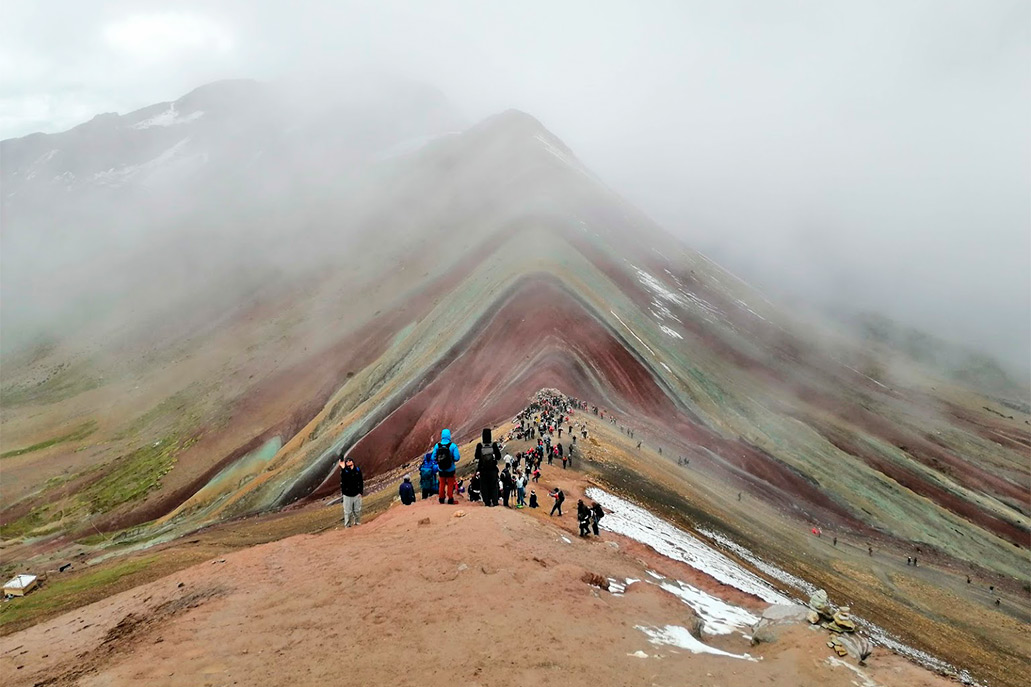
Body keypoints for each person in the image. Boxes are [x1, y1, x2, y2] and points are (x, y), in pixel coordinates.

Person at [435, 429, 460, 504]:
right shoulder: (453, 446)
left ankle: (441, 498)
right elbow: (457, 457)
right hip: (450, 469)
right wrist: (451, 459)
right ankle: (450, 499)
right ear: (449, 435)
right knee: (450, 484)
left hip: (441, 469)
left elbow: (433, 457)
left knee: (441, 483)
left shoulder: (437, 446)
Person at [339, 455, 364, 527]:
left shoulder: (357, 470)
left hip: (356, 494)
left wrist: (360, 492)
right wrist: (343, 468)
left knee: (357, 510)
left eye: (349, 461)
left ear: (353, 462)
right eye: (347, 461)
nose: (348, 462)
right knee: (347, 512)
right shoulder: (345, 471)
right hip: (347, 495)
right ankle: (347, 525)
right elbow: (344, 478)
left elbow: (360, 481)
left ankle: (357, 522)